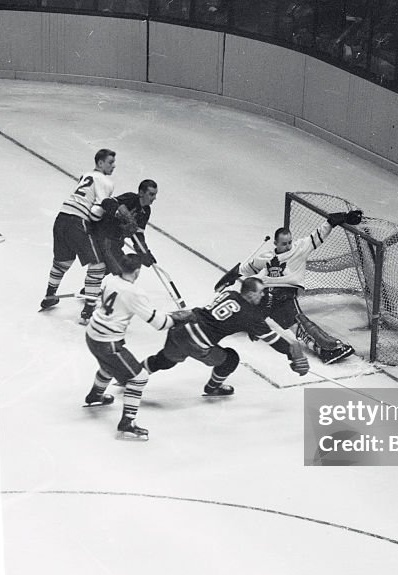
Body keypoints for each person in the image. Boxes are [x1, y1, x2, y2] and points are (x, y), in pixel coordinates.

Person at [214, 209, 364, 364]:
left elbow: (319, 233)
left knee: (295, 324)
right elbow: (245, 269)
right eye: (284, 244)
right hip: (264, 295)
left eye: (289, 242)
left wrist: (337, 220)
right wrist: (230, 277)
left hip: (283, 293)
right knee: (252, 317)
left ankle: (325, 348)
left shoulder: (300, 248)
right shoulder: (266, 257)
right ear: (275, 244)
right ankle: (215, 321)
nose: (287, 246)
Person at [83, 253, 191, 440]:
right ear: (137, 271)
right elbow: (160, 324)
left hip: (92, 334)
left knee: (108, 366)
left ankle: (95, 396)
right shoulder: (135, 293)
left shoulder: (111, 280)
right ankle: (127, 422)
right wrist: (180, 317)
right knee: (138, 378)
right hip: (108, 342)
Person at [144, 277, 309, 396]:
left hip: (181, 330)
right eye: (260, 292)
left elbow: (229, 316)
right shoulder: (251, 316)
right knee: (231, 359)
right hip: (198, 343)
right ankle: (212, 388)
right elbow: (274, 340)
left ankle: (133, 374)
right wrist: (291, 353)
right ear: (250, 294)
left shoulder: (229, 294)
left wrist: (250, 328)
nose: (262, 296)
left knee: (165, 360)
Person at [39, 148, 118, 324]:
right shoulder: (105, 181)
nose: (114, 166)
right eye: (110, 162)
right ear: (100, 163)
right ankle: (88, 312)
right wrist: (109, 213)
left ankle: (50, 296)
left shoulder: (86, 175)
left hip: (61, 219)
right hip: (77, 222)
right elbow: (96, 212)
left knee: (62, 262)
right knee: (98, 266)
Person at [92, 179, 158, 274]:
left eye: (155, 194)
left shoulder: (146, 211)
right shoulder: (131, 198)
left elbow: (138, 233)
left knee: (118, 267)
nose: (154, 198)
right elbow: (107, 202)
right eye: (151, 194)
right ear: (141, 193)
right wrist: (122, 214)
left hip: (116, 242)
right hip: (104, 237)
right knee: (117, 267)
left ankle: (90, 288)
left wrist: (144, 252)